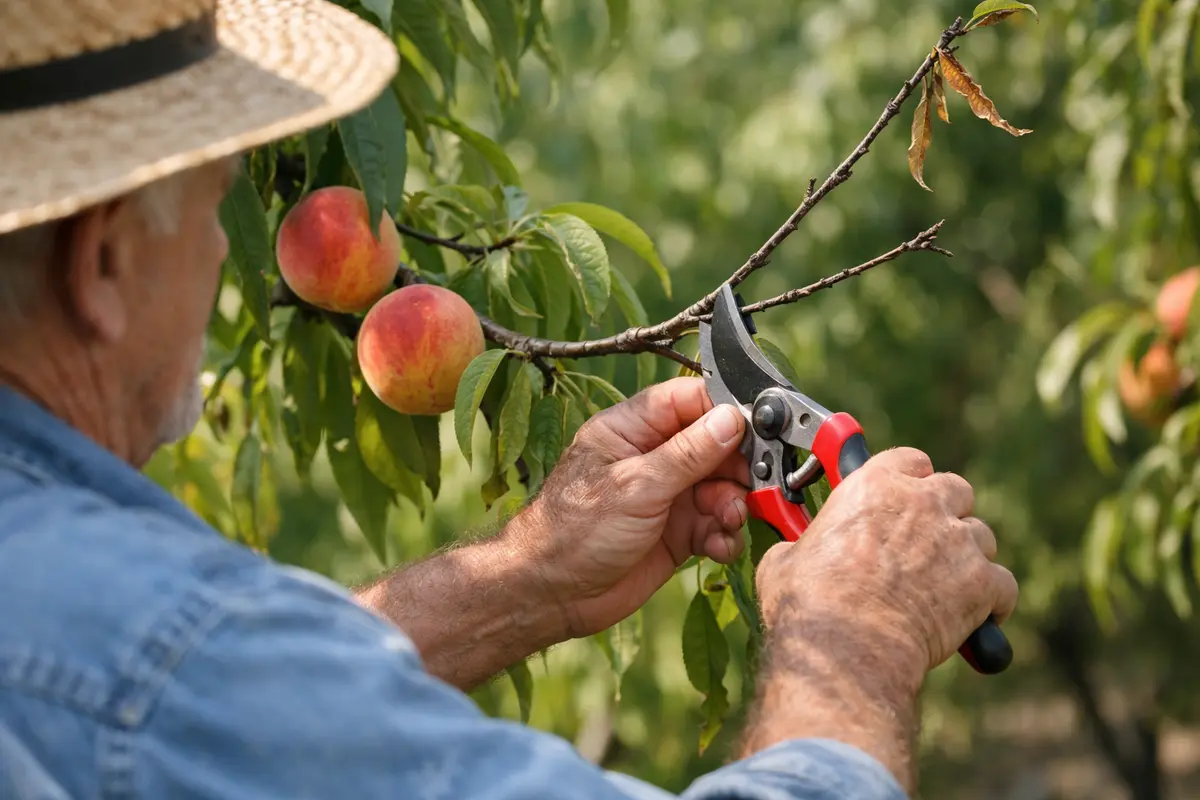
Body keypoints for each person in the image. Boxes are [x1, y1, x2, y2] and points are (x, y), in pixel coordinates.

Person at [0, 1, 1018, 798]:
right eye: (212, 201)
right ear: (104, 261)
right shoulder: (160, 653)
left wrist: (532, 576)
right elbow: (188, 682)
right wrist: (857, 632)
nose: (228, 251)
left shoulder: (87, 618)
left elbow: (233, 709)